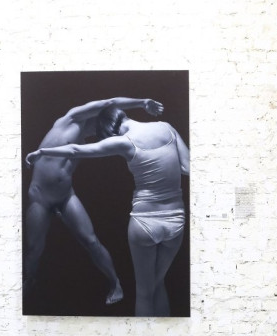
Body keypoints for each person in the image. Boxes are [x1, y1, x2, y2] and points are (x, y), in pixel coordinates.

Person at [26, 106, 189, 316]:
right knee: (159, 284)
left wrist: (42, 152)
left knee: (144, 293)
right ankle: (165, 335)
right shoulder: (166, 127)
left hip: (145, 223)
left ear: (109, 129)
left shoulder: (123, 142)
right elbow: (187, 168)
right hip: (175, 221)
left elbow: (76, 150)